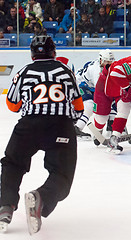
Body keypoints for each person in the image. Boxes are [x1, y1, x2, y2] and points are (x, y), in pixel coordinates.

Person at [0, 35, 83, 234]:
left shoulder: (24, 72)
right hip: (61, 127)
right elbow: (78, 107)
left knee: (12, 163)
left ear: (31, 55)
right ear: (54, 52)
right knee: (62, 174)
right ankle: (41, 197)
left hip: (29, 125)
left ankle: (6, 206)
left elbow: (12, 105)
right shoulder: (65, 71)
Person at [74, 49, 115, 138]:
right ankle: (77, 127)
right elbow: (102, 91)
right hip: (82, 85)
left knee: (112, 101)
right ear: (101, 60)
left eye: (110, 61)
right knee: (90, 105)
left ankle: (111, 125)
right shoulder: (95, 70)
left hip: (93, 87)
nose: (108, 63)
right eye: (106, 61)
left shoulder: (109, 67)